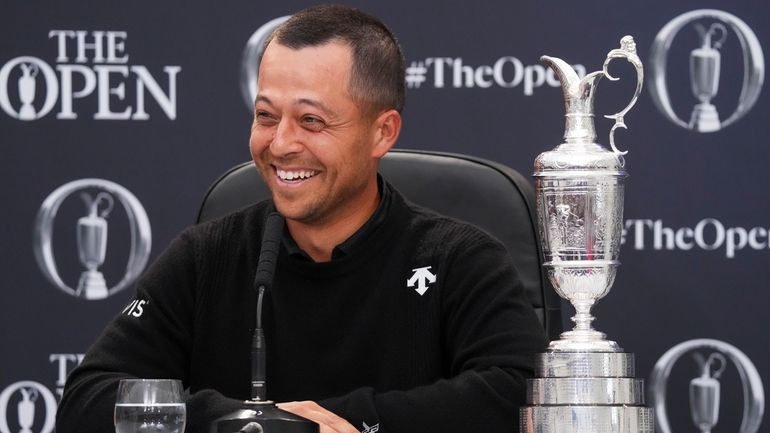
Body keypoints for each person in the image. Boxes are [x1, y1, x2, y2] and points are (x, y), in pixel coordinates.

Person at [56, 5, 547, 433]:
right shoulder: (204, 257)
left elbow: (520, 396)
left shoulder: (461, 260)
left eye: (311, 121)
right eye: (266, 116)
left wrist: (358, 422)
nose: (280, 144)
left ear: (382, 132)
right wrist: (249, 426)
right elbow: (88, 402)